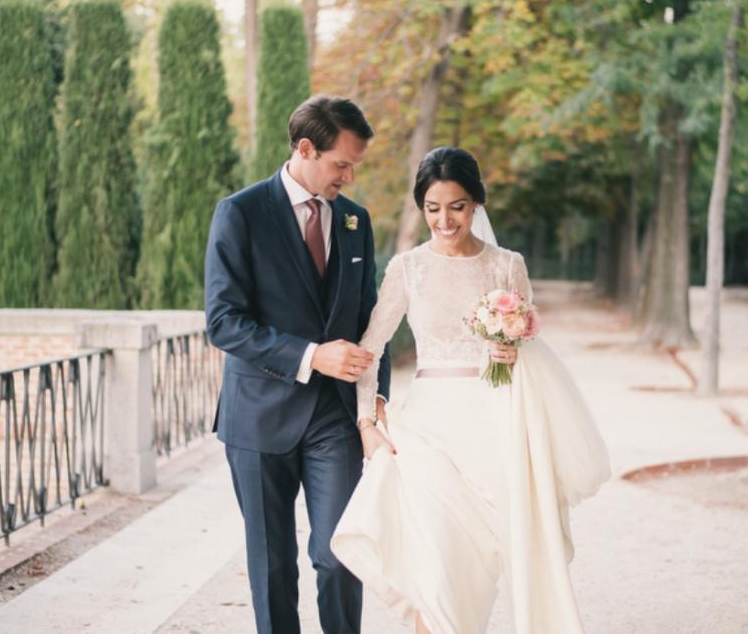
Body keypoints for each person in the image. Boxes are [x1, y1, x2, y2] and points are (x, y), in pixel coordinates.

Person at [331, 146, 611, 634]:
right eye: (433, 208)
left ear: (476, 204)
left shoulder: (507, 265)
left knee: (473, 576)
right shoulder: (407, 268)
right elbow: (369, 349)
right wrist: (366, 423)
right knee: (434, 570)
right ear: (422, 208)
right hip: (427, 432)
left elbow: (527, 342)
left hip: (494, 428)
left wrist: (510, 352)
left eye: (457, 206)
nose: (445, 220)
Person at [204, 95, 391, 634]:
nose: (349, 175)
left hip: (334, 418)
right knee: (273, 566)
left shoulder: (355, 220)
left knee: (340, 555)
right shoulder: (240, 213)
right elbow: (223, 322)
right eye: (341, 164)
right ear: (305, 149)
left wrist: (376, 403)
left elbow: (369, 320)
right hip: (257, 417)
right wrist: (312, 355)